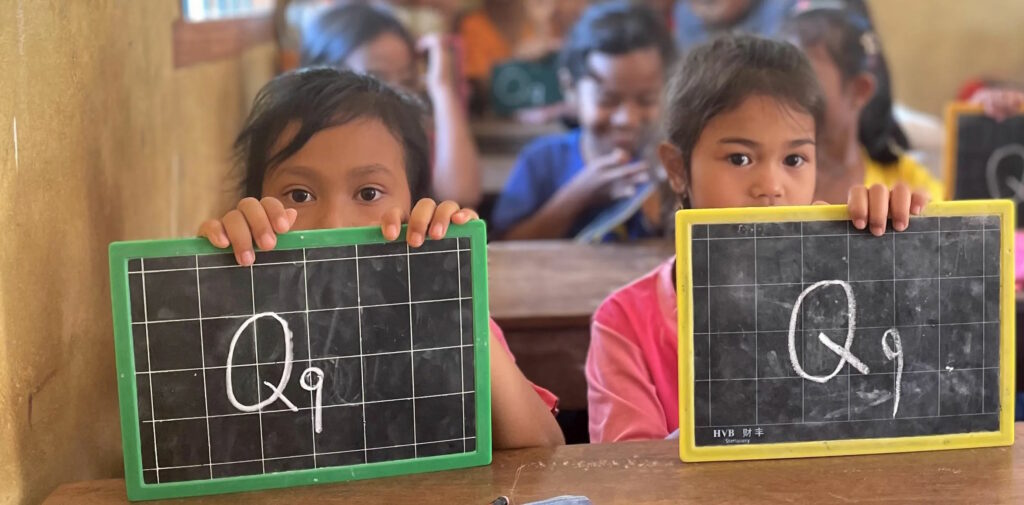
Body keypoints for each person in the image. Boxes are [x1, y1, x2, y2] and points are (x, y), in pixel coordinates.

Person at [586, 35, 930, 442]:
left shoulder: (845, 291)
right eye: (740, 158)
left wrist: (893, 255)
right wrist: (738, 417)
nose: (771, 186)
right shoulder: (625, 323)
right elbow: (628, 482)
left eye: (794, 159)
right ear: (677, 169)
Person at [198, 68, 564, 448]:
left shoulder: (443, 306)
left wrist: (456, 298)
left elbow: (543, 448)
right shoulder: (238, 303)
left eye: (369, 193)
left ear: (414, 203)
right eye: (299, 195)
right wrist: (200, 288)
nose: (333, 225)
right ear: (254, 200)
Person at [491, 1, 675, 241]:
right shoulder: (542, 162)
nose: (627, 119)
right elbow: (503, 249)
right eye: (608, 100)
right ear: (570, 88)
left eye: (646, 100)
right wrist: (580, 193)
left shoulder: (671, 165)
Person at [301, 3, 482, 208]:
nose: (397, 95)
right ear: (324, 75)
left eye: (407, 81)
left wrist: (442, 87)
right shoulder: (305, 143)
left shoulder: (409, 138)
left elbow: (461, 198)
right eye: (376, 79)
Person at [781, 1, 943, 203]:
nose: (785, 95)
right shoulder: (766, 180)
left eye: (805, 80)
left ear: (859, 90)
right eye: (781, 80)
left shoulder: (910, 189)